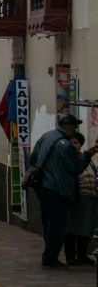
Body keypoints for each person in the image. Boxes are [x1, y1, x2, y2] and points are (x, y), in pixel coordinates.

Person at [29, 114, 98, 268]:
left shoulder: (47, 136)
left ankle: (48, 255)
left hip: (44, 188)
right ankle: (50, 258)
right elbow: (75, 169)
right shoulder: (65, 145)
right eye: (74, 127)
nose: (75, 130)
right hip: (57, 189)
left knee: (48, 223)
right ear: (70, 127)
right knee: (57, 225)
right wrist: (88, 154)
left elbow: (32, 158)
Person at [64, 132, 98, 266]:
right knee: (72, 229)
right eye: (71, 143)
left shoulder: (87, 159)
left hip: (90, 198)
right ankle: (71, 256)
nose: (74, 146)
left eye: (76, 143)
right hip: (76, 198)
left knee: (86, 228)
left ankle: (82, 255)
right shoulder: (67, 160)